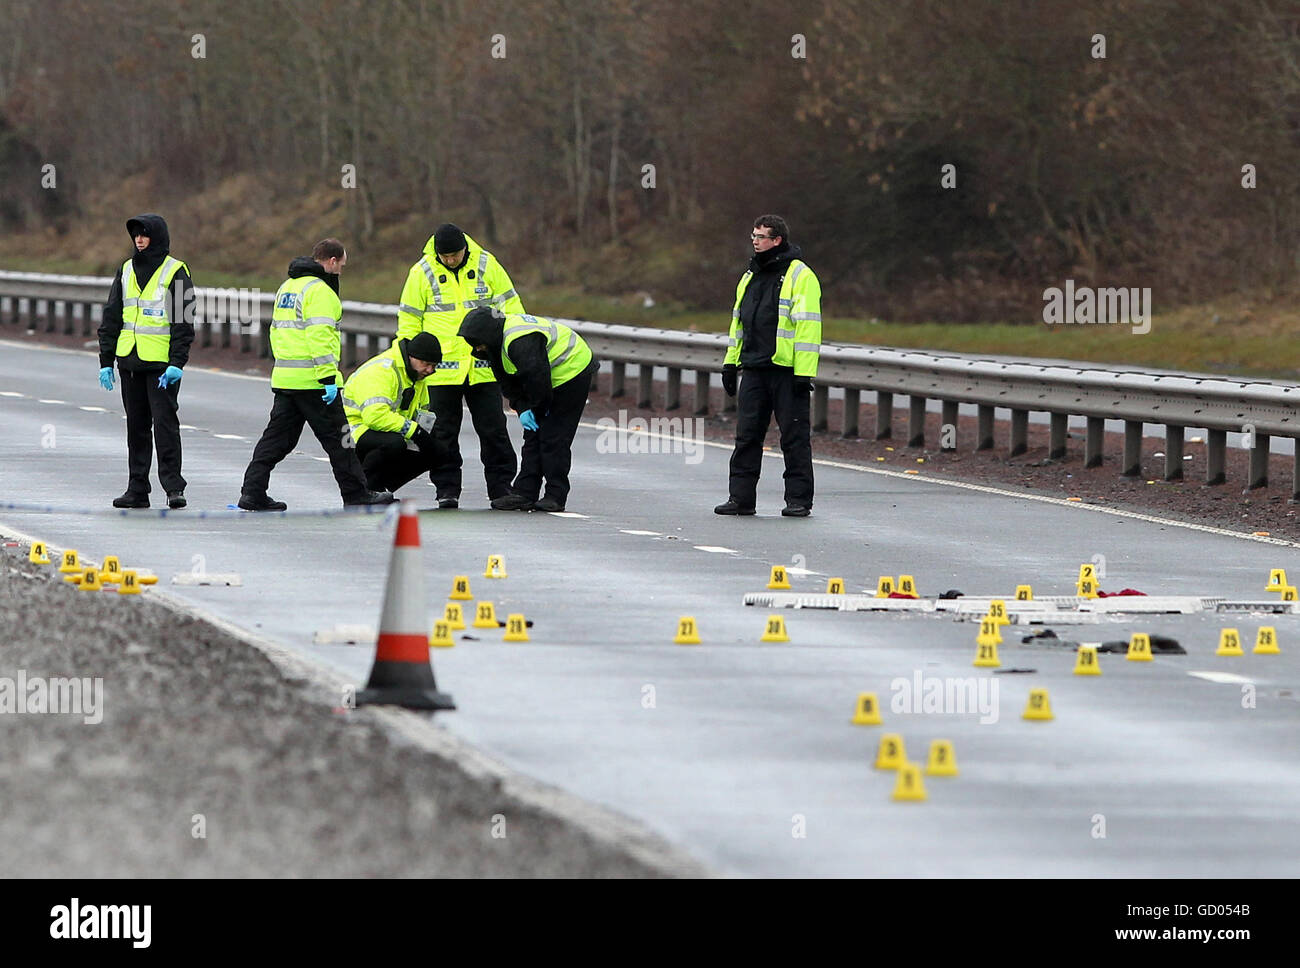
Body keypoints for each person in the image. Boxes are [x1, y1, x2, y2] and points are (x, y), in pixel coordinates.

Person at [237, 239, 395, 511]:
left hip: (287, 379)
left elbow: (276, 332)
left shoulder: (288, 287)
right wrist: (328, 378)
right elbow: (320, 336)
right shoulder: (320, 291)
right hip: (315, 382)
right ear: (331, 261)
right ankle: (356, 494)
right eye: (341, 266)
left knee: (275, 442)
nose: (341, 272)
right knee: (341, 441)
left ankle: (252, 491)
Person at [396, 223, 524, 508]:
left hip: (482, 366)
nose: (450, 260)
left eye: (455, 255)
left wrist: (514, 347)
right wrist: (411, 362)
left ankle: (502, 488)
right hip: (440, 370)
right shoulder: (422, 272)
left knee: (494, 429)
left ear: (465, 248)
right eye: (446, 256)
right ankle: (447, 490)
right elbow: (408, 321)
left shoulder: (486, 264)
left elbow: (511, 308)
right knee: (442, 433)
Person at [714, 215, 822, 518]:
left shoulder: (801, 276)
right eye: (753, 236)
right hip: (754, 369)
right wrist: (730, 363)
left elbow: (808, 329)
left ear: (777, 240)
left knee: (794, 438)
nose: (755, 241)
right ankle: (741, 498)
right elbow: (739, 324)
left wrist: (803, 372)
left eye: (761, 237)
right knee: (746, 437)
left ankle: (799, 500)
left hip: (787, 372)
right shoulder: (749, 276)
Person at [97, 213, 194, 509]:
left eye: (144, 234)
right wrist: (105, 360)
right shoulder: (126, 270)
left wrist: (178, 362)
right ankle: (137, 489)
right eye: (135, 235)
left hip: (161, 367)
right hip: (130, 362)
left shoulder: (175, 271)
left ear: (158, 236)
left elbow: (183, 321)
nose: (139, 240)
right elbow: (112, 316)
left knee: (165, 426)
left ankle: (174, 488)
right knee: (136, 428)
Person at [457, 308, 595, 512]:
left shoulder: (520, 342)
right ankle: (524, 493)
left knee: (553, 437)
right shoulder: (494, 343)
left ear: (487, 335)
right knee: (533, 435)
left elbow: (537, 380)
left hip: (572, 370)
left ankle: (555, 495)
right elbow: (508, 383)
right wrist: (521, 408)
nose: (477, 348)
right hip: (546, 379)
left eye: (478, 343)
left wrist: (538, 409)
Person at [342, 333, 449, 494]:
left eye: (434, 366)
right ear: (412, 356)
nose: (430, 370)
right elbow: (375, 416)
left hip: (383, 430)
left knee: (437, 450)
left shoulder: (417, 377)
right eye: (426, 364)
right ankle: (363, 490)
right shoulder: (381, 371)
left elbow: (421, 414)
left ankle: (380, 488)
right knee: (394, 443)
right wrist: (415, 432)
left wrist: (428, 436)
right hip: (350, 430)